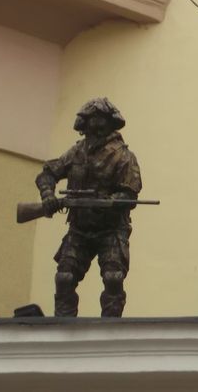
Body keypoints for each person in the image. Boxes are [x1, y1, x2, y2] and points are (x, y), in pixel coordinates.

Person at [35, 97, 142, 317]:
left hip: (111, 231)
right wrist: (48, 196)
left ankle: (110, 331)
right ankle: (63, 328)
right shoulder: (76, 152)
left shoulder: (124, 156)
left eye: (101, 120)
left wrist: (111, 201)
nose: (96, 125)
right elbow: (48, 173)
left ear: (110, 123)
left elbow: (130, 194)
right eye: (92, 120)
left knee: (114, 278)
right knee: (64, 278)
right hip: (79, 230)